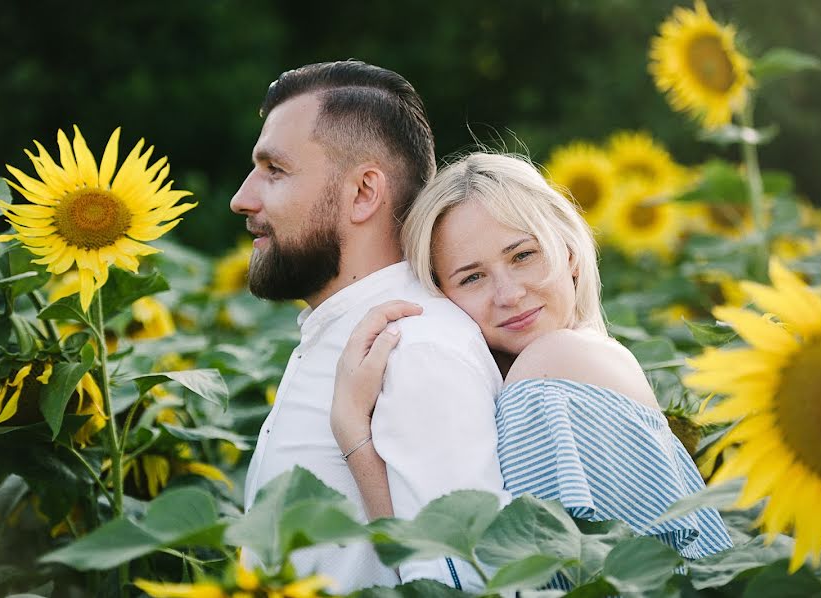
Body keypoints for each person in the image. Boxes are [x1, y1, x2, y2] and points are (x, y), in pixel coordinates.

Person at [332, 152, 733, 588]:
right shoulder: (591, 356)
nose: (509, 294)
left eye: (523, 255)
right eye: (472, 278)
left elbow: (496, 587)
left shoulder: (551, 369)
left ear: (570, 254)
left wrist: (353, 433)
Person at [231, 61, 509, 593]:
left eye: (275, 171)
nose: (243, 198)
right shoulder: (343, 333)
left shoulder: (416, 349)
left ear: (363, 193)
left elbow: (457, 580)